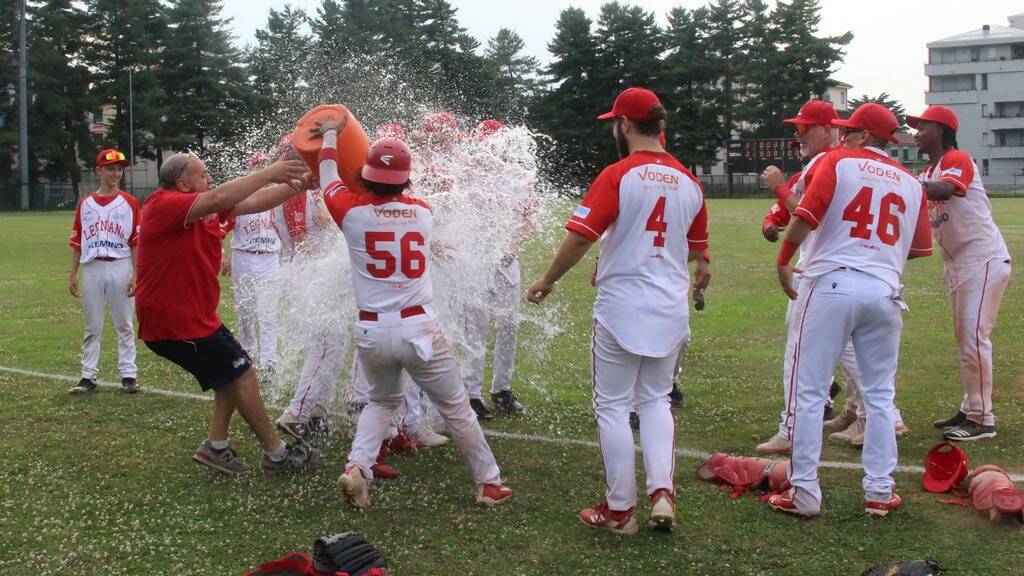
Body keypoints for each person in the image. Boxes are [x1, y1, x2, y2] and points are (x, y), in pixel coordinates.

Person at [528, 87, 709, 534]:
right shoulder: (690, 180)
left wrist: (548, 278)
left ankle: (620, 510)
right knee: (655, 400)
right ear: (659, 126)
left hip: (623, 306)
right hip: (669, 305)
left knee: (611, 406)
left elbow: (580, 236)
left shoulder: (618, 174)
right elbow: (695, 253)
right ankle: (662, 493)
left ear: (624, 124)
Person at [313, 115, 511, 510]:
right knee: (455, 408)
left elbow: (328, 174)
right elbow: (397, 192)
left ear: (366, 175)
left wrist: (332, 136)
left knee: (381, 402)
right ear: (406, 180)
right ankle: (489, 483)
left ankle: (358, 466)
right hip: (419, 327)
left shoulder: (350, 213)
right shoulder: (422, 211)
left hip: (372, 329)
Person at [767, 103, 932, 518]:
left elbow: (803, 217)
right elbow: (917, 249)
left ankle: (804, 492)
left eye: (848, 131)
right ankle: (879, 491)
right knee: (879, 395)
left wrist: (784, 260)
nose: (842, 137)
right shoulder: (912, 182)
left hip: (831, 282)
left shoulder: (838, 161)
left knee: (808, 390)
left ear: (860, 136)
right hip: (884, 290)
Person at [135, 151, 319, 475]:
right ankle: (276, 454)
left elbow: (256, 202)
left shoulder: (204, 209)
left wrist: (300, 185)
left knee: (232, 372)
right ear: (183, 183)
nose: (209, 178)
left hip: (196, 319)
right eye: (203, 174)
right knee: (242, 373)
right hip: (176, 323)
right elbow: (219, 196)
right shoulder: (164, 203)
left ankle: (215, 446)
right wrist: (269, 171)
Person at [755, 100, 908, 453]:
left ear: (829, 130)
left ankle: (793, 432)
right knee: (854, 351)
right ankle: (882, 419)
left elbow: (809, 216)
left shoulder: (833, 162)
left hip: (826, 270)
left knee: (801, 353)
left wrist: (780, 189)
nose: (798, 136)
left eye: (803, 128)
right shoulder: (892, 173)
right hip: (876, 276)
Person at [909, 105, 1012, 442]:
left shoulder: (957, 158)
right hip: (958, 262)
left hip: (981, 257)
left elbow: (946, 190)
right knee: (965, 338)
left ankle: (983, 419)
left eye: (922, 127)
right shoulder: (929, 170)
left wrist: (906, 184)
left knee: (973, 338)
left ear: (940, 130)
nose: (916, 133)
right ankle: (971, 408)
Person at [462, 119, 530, 417]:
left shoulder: (516, 176)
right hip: (476, 261)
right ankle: (471, 393)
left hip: (505, 263)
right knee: (476, 326)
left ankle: (502, 387)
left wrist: (512, 246)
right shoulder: (466, 175)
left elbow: (528, 218)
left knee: (509, 325)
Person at [68, 149, 141, 395]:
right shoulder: (85, 204)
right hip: (92, 267)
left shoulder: (130, 202)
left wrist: (135, 274)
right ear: (98, 170)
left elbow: (135, 241)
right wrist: (73, 273)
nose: (116, 173)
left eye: (119, 168)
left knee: (125, 322)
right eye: (110, 168)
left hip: (120, 264)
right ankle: (88, 376)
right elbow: (78, 241)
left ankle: (128, 375)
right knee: (92, 324)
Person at [223, 152, 281, 375]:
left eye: (264, 165)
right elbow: (220, 227)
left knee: (268, 311)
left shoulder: (276, 197)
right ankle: (248, 352)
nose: (260, 169)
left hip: (269, 257)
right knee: (245, 309)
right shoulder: (240, 197)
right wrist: (221, 253)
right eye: (257, 166)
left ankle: (269, 361)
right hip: (244, 255)